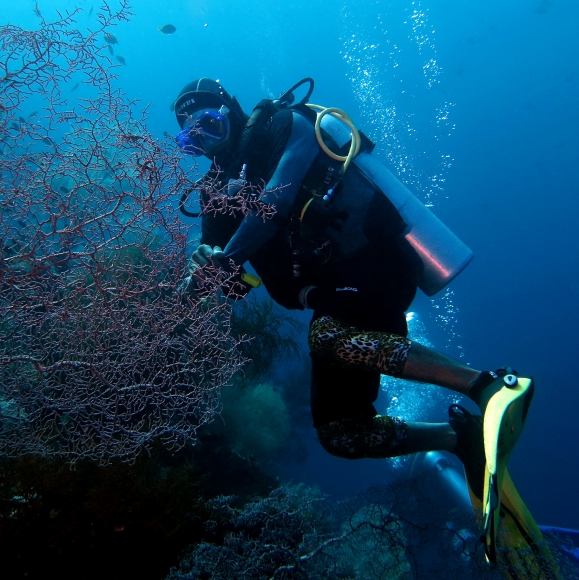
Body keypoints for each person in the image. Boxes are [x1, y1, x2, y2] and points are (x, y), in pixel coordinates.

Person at [174, 77, 528, 494]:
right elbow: (212, 253)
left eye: (209, 124)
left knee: (330, 338)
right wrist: (196, 272)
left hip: (374, 267)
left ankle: (490, 387)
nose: (205, 142)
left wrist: (226, 257)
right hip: (330, 297)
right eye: (191, 139)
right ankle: (458, 439)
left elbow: (274, 204)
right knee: (341, 434)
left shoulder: (286, 125)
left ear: (229, 111)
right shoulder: (213, 192)